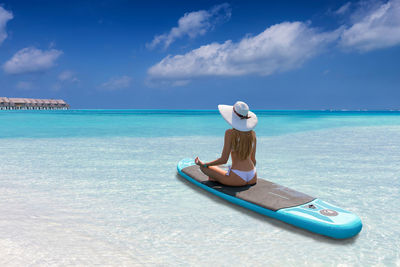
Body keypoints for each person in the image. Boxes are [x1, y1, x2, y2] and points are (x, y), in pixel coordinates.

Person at [195, 101, 258, 186]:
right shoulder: (252, 134)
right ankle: (220, 177)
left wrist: (204, 164)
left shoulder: (230, 133)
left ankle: (217, 178)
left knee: (204, 168)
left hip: (237, 178)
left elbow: (224, 160)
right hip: (252, 176)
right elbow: (253, 160)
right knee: (224, 168)